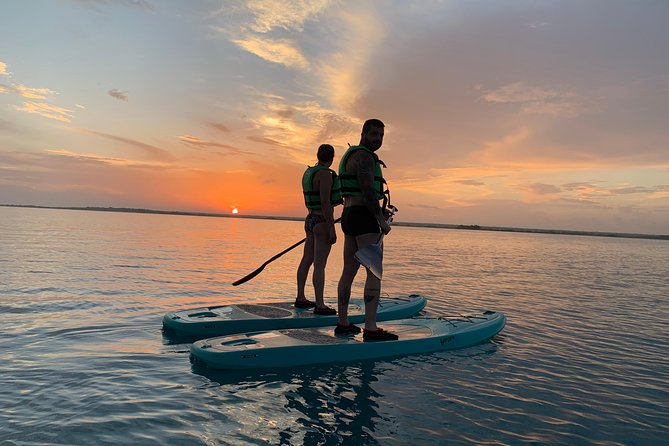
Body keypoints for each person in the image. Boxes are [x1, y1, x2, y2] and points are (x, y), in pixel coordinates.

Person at [335, 118, 398, 341]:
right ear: (364, 133)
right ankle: (370, 328)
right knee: (374, 273)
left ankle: (343, 322)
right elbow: (368, 189)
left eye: (381, 136)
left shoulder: (350, 155)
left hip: (349, 216)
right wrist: (380, 219)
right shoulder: (364, 157)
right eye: (374, 134)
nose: (378, 139)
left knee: (348, 271)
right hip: (364, 218)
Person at [295, 144, 343, 314]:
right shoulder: (325, 174)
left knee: (306, 260)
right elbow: (325, 203)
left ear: (318, 155)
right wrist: (332, 228)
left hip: (309, 220)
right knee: (320, 265)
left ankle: (300, 297)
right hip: (321, 221)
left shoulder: (310, 172)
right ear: (332, 157)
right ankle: (320, 305)